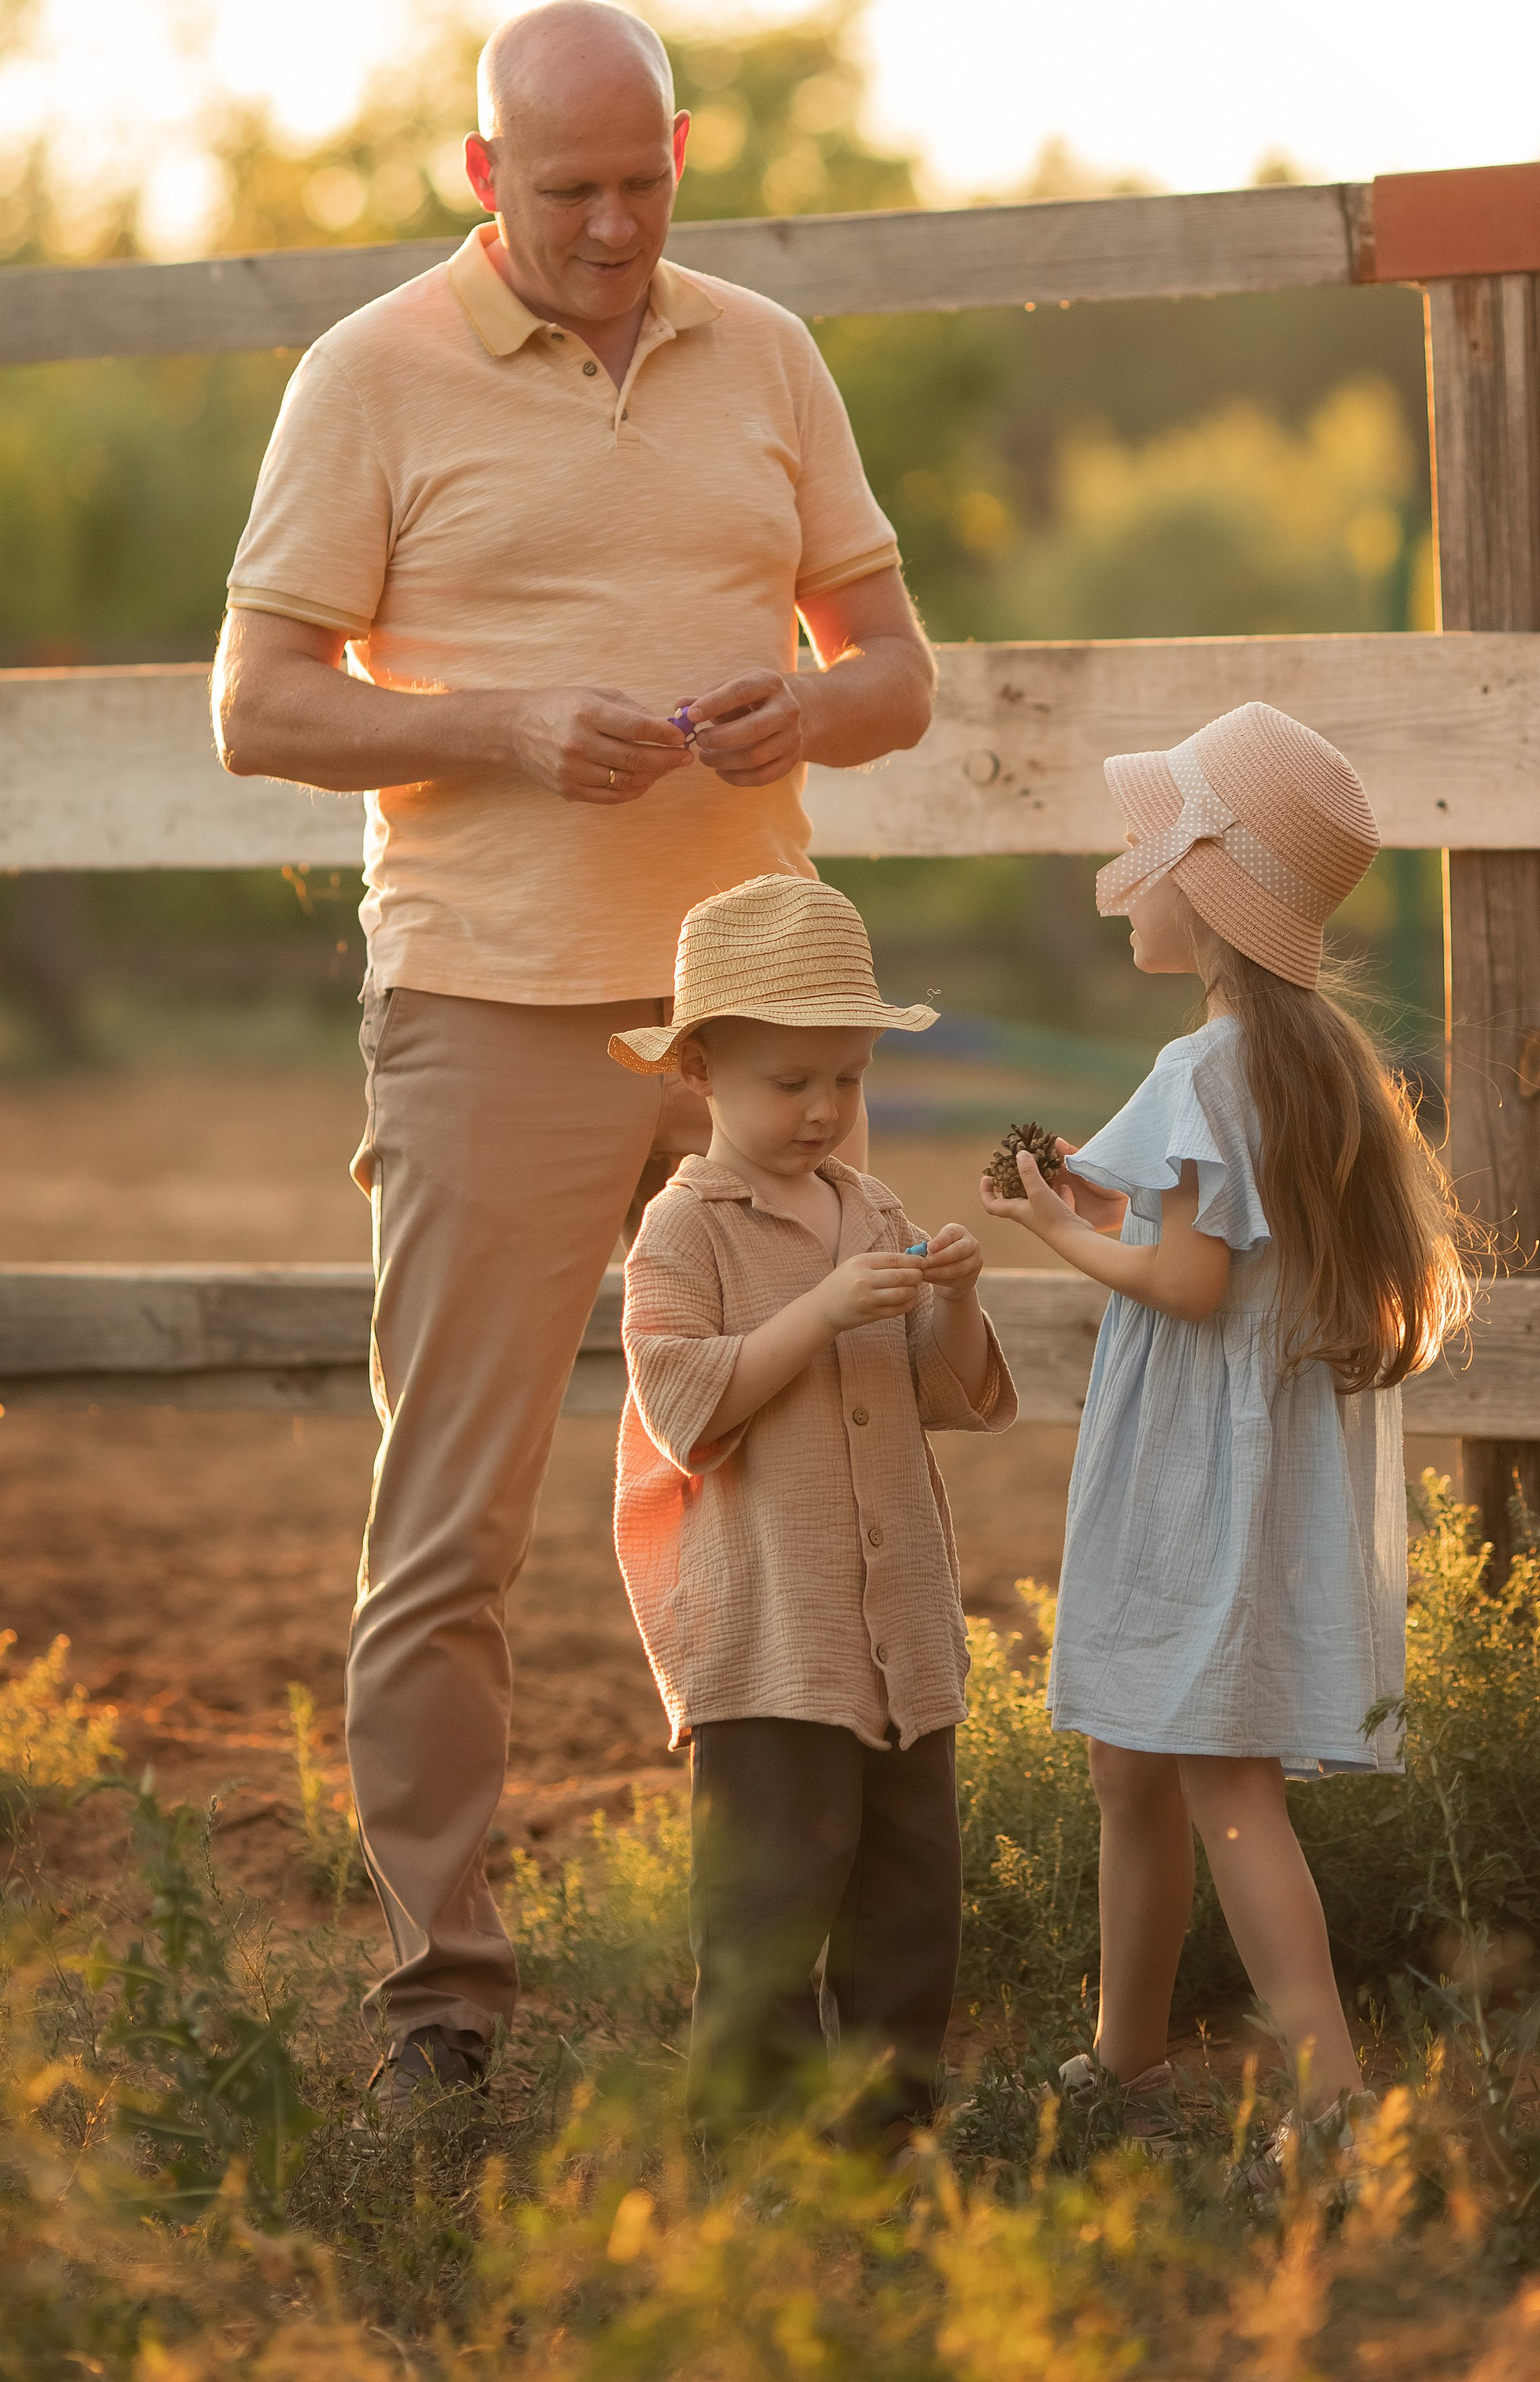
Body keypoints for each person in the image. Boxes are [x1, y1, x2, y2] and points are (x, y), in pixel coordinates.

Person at [210, 0, 935, 2101]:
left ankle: (782, 1995)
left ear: (683, 154)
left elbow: (894, 666)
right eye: (569, 192)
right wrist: (505, 730)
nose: (614, 228)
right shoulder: (369, 381)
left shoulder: (766, 357)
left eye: (646, 183)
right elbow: (259, 707)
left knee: (795, 1503)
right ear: (482, 180)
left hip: (755, 1028)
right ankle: (445, 1993)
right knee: (456, 1519)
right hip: (488, 1010)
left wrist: (818, 704)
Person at [981, 702, 1471, 2150]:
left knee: (1220, 1779)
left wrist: (1043, 1230)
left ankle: (1330, 2101)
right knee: (1135, 1761)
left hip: (1192, 1472)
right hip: (1244, 1465)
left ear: (1206, 881)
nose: (1128, 871)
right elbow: (1230, 1250)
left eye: (1150, 847)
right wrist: (1098, 1199)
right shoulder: (1302, 1057)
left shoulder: (1205, 1066)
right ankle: (1123, 2059)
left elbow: (1191, 1283)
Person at [609, 875, 1012, 2140]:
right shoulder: (681, 1232)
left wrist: (948, 1296)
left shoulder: (871, 1207)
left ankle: (889, 2132)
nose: (826, 1110)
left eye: (847, 1078)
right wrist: (824, 1310)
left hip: (898, 1628)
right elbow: (685, 1407)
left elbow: (945, 1393)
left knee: (909, 1895)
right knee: (771, 1893)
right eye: (791, 1083)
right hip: (769, 1633)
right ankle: (760, 2140)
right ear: (700, 1069)